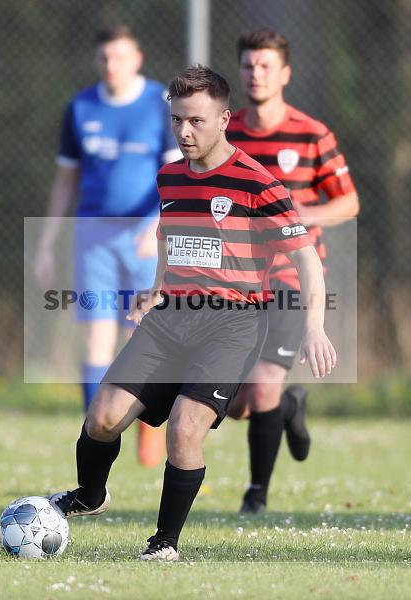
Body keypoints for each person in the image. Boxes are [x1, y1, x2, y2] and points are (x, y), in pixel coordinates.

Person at [47, 65, 337, 561]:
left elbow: (307, 258)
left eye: (197, 121)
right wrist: (156, 290)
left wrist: (314, 326)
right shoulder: (170, 176)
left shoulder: (257, 183)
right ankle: (90, 496)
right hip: (170, 319)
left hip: (233, 324)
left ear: (224, 119)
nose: (184, 131)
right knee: (101, 419)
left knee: (184, 428)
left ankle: (164, 544)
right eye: (177, 120)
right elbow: (171, 240)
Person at [225, 29, 360, 513]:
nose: (255, 74)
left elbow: (349, 202)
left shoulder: (311, 133)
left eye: (264, 66)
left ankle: (256, 495)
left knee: (262, 384)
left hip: (291, 276)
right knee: (238, 403)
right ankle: (288, 407)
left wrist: (301, 216)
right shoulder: (225, 132)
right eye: (247, 66)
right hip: (236, 280)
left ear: (284, 73)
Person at [34, 26, 180, 467]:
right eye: (104, 58)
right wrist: (45, 243)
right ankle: (95, 433)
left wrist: (156, 224)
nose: (111, 65)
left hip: (144, 235)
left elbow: (174, 177)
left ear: (137, 58)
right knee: (97, 334)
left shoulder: (160, 105)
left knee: (142, 334)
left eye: (119, 57)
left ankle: (147, 428)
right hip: (93, 234)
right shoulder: (80, 107)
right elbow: (65, 182)